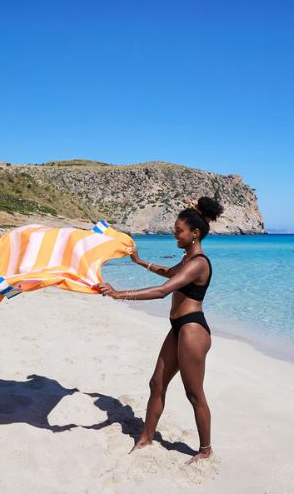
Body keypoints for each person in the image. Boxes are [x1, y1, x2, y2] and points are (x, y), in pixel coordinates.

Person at [96, 196, 224, 463]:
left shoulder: (199, 262)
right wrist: (140, 262)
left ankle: (205, 450)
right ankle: (146, 437)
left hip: (192, 330)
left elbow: (164, 290)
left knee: (194, 394)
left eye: (179, 231)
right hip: (178, 327)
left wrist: (120, 294)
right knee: (157, 383)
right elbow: (169, 273)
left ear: (195, 233)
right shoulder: (188, 259)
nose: (175, 235)